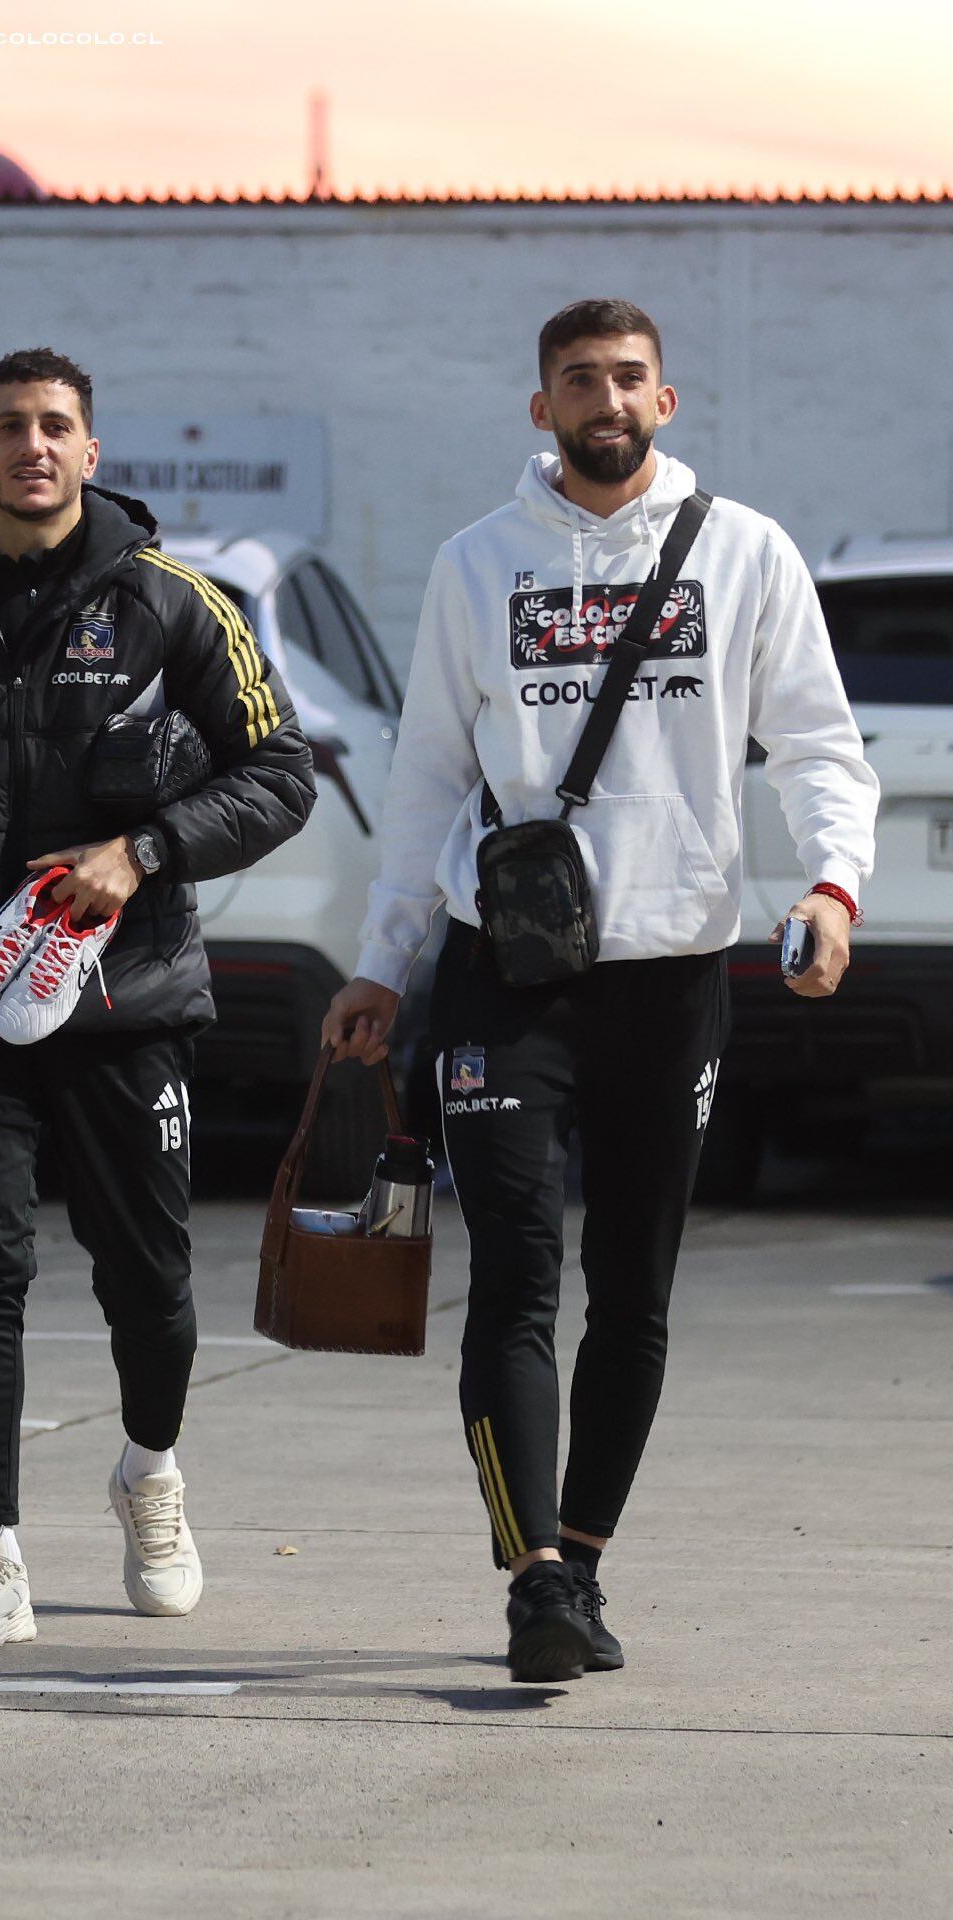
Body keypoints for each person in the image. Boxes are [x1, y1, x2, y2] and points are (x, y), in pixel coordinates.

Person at [321, 298, 878, 1681]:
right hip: (506, 975)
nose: (607, 399)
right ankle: (535, 1583)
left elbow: (818, 745)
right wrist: (385, 967)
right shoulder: (476, 566)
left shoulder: (746, 555)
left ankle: (583, 1557)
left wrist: (830, 885)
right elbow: (426, 779)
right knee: (514, 1274)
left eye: (629, 378)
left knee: (633, 1293)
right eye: (580, 380)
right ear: (543, 410)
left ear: (665, 401)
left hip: (672, 975)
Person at [0, 347, 317, 1650]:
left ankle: (150, 1474)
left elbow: (281, 771)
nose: (33, 446)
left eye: (56, 427)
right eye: (9, 427)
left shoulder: (174, 608)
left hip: (127, 998)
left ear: (93, 454)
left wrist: (142, 851)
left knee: (149, 1283)